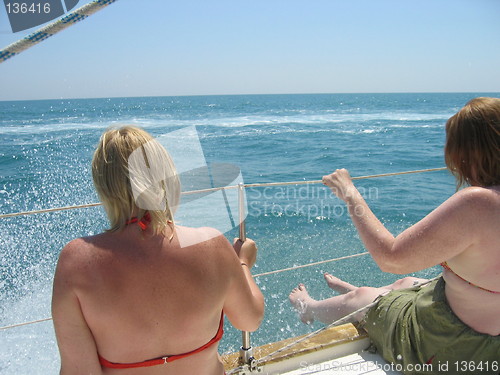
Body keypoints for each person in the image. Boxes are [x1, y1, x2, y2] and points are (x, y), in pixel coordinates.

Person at [289, 97, 500, 370]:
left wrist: (350, 195)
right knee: (407, 283)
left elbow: (390, 258)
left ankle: (310, 308)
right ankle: (364, 297)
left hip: (456, 347)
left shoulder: (479, 203)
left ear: (468, 153)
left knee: (364, 296)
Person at [52, 126, 265, 375]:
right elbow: (250, 319)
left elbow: (80, 372)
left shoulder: (77, 261)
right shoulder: (212, 244)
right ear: (166, 176)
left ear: (104, 186)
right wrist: (242, 263)